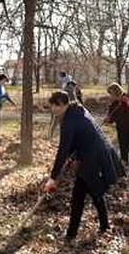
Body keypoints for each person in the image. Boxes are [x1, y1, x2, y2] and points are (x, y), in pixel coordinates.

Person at [43, 91, 115, 242]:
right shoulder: (77, 110)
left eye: (55, 107)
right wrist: (73, 156)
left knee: (83, 195)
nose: (53, 110)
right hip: (91, 156)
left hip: (93, 159)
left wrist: (53, 177)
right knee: (90, 193)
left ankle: (74, 233)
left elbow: (63, 149)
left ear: (62, 104)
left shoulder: (69, 120)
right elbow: (78, 139)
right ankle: (100, 226)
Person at [104, 83, 129, 179]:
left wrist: (128, 104)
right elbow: (111, 119)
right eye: (110, 94)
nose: (110, 96)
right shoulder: (113, 104)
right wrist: (108, 119)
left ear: (117, 92)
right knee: (124, 152)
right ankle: (124, 173)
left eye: (111, 94)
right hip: (122, 132)